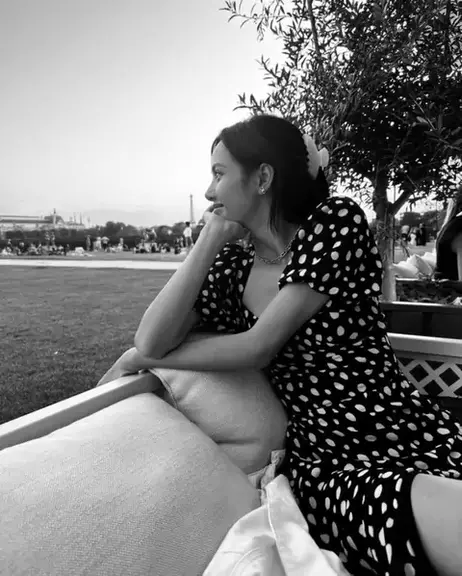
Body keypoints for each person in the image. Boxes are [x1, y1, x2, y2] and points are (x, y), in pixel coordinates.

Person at [98, 114, 462, 576]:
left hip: (409, 431)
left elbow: (258, 347)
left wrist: (146, 357)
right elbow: (151, 337)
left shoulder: (335, 223)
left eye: (219, 173)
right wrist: (208, 241)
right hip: (332, 463)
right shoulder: (232, 268)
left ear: (263, 177)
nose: (208, 192)